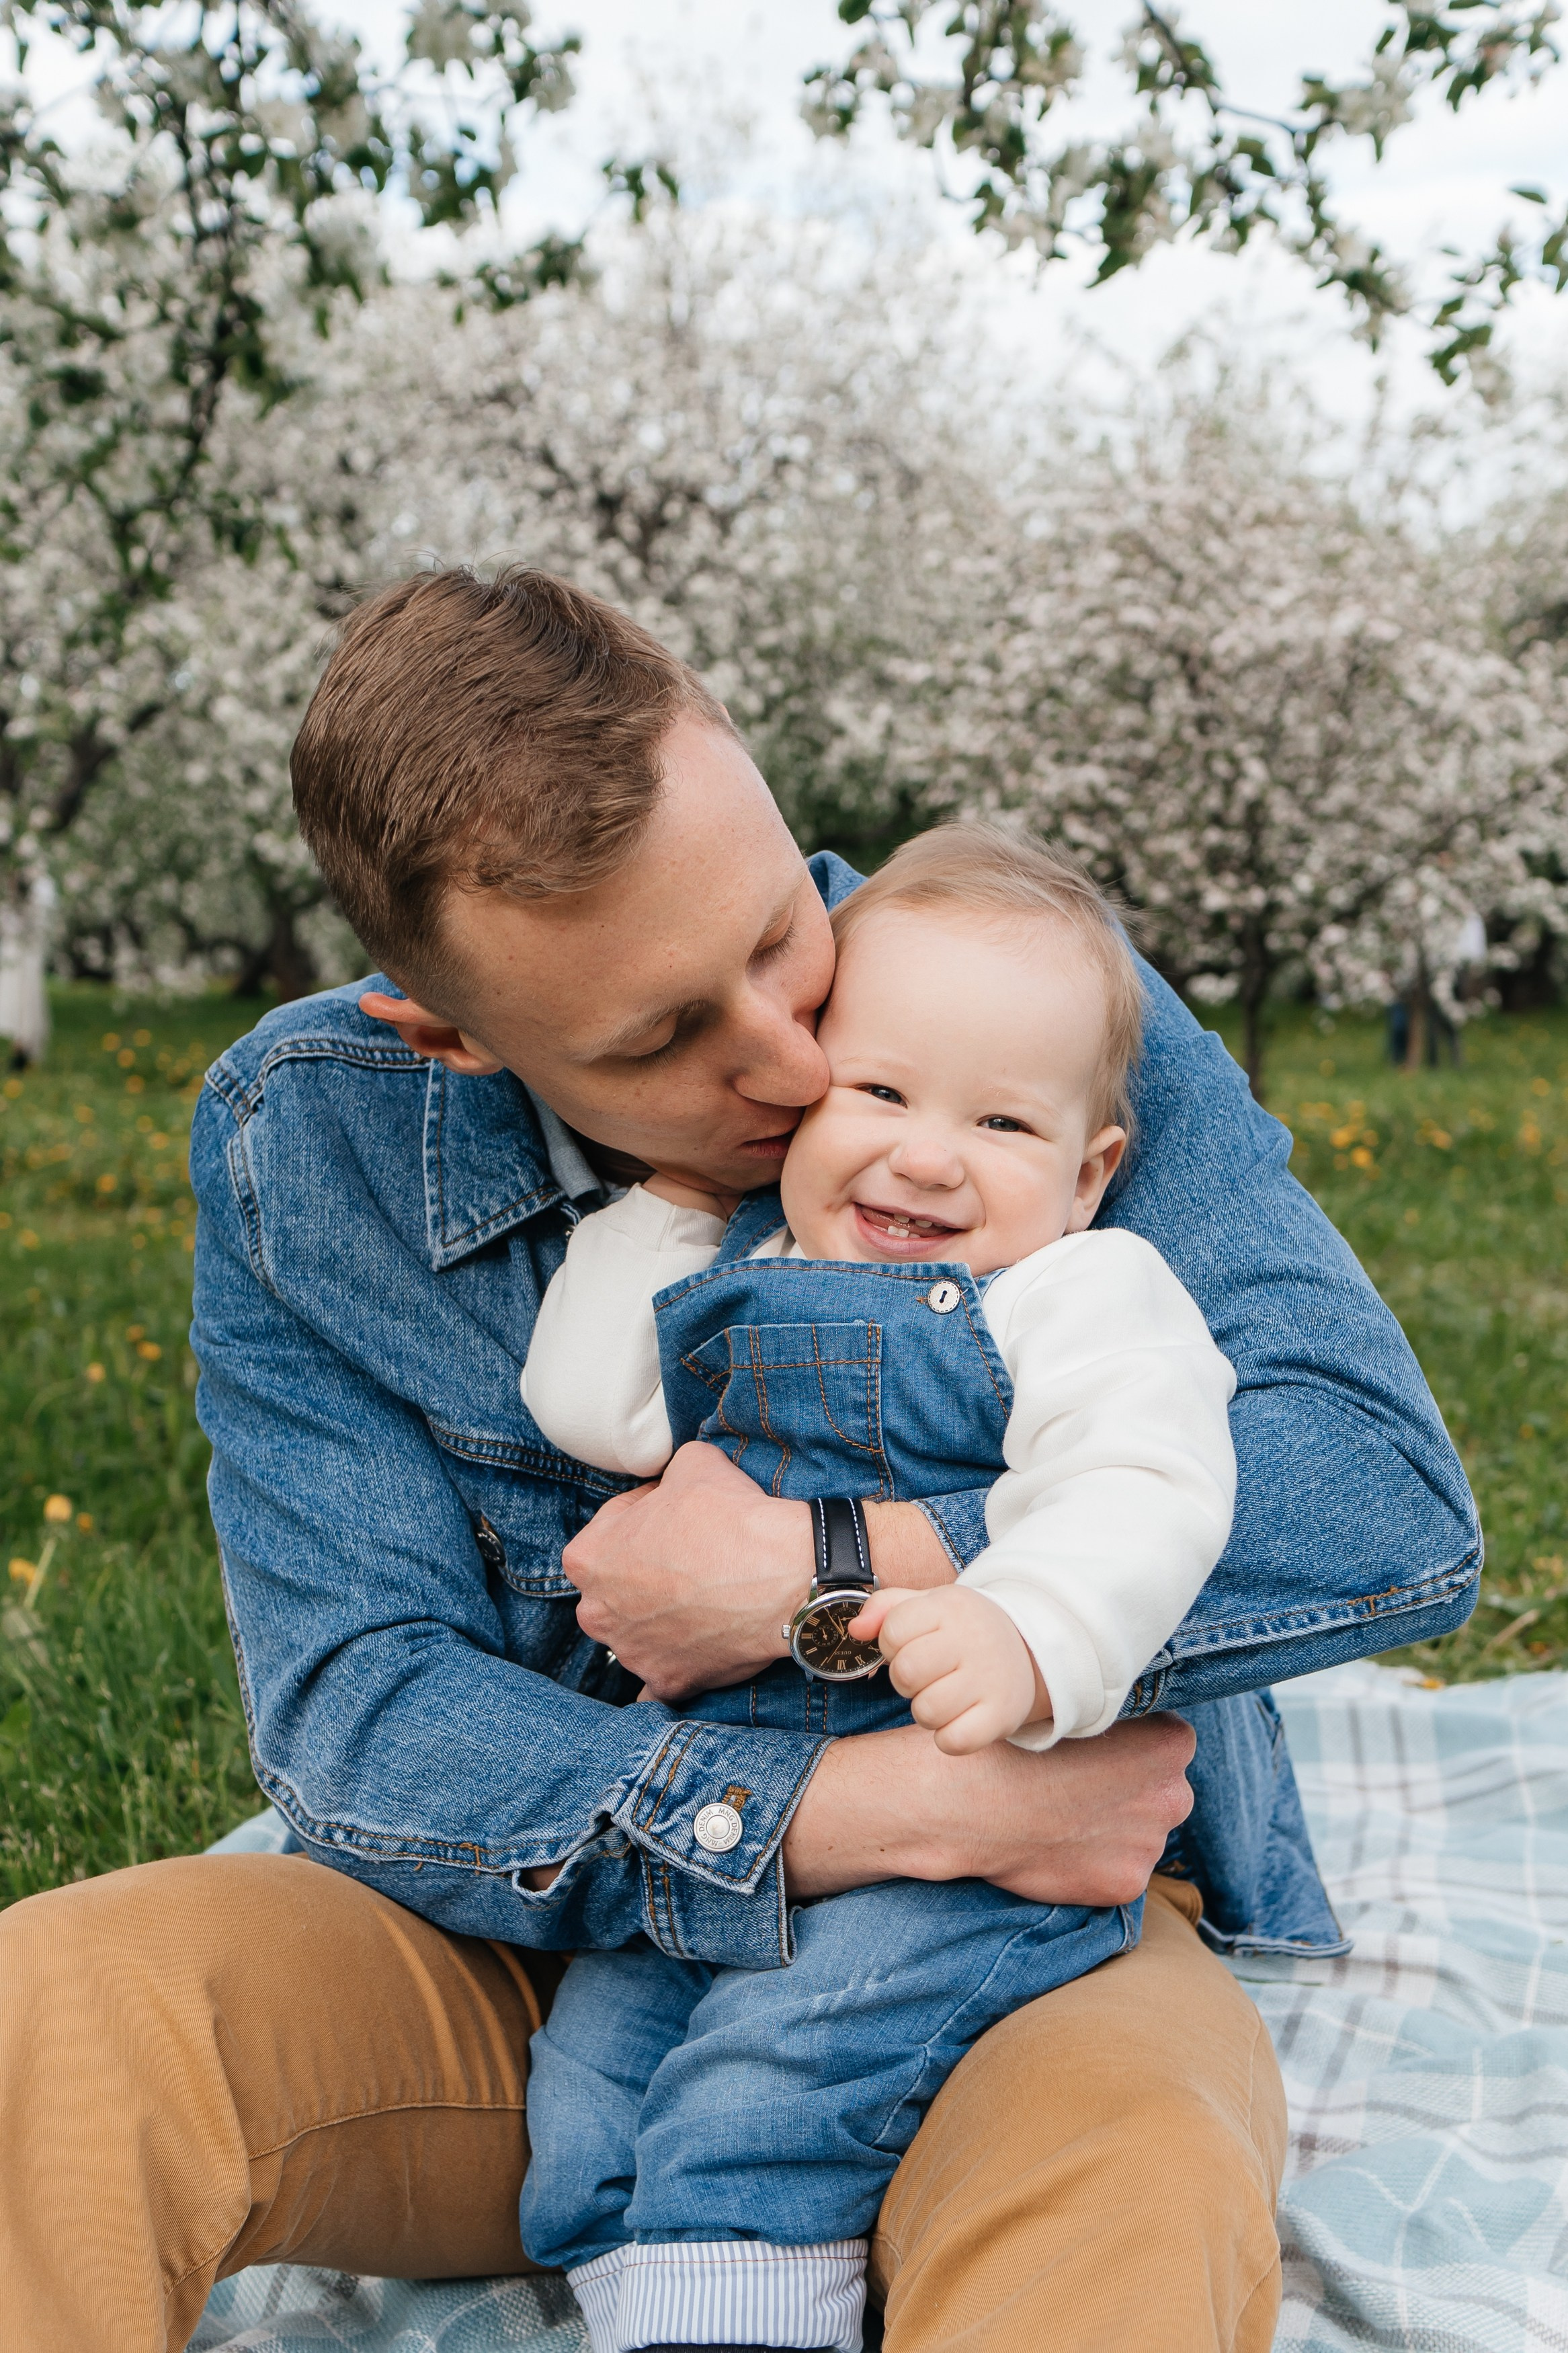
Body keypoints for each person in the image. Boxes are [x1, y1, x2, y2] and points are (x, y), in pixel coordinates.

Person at [0, 566, 1479, 2353]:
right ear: (452, 1037)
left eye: (782, 930)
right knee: (55, 2011)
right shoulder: (306, 1146)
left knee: (1123, 2176)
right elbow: (357, 1709)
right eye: (659, 1036)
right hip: (557, 1958)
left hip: (1010, 1925)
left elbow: (1374, 1497)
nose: (791, 1058)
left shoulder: (1010, 989)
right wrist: (864, 1806)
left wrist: (825, 1577)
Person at [518, 824, 1241, 2353]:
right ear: (802, 1096)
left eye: (999, 1120)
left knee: (764, 2088)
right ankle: (638, 2288)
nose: (926, 1153)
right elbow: (597, 1407)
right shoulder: (749, 1257)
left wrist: (1030, 1627)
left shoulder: (1080, 1294)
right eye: (883, 1092)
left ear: (1090, 1168)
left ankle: (740, 2305)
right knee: (591, 2087)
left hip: (969, 1842)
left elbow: (1149, 1485)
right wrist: (668, 1205)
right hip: (740, 1821)